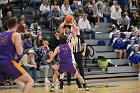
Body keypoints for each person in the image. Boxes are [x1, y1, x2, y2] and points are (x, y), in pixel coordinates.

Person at [0, 17, 34, 93]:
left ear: (7, 25)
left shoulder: (1, 34)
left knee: (18, 80)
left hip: (1, 63)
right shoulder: (16, 35)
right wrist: (21, 44)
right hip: (8, 62)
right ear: (17, 25)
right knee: (30, 81)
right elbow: (20, 53)